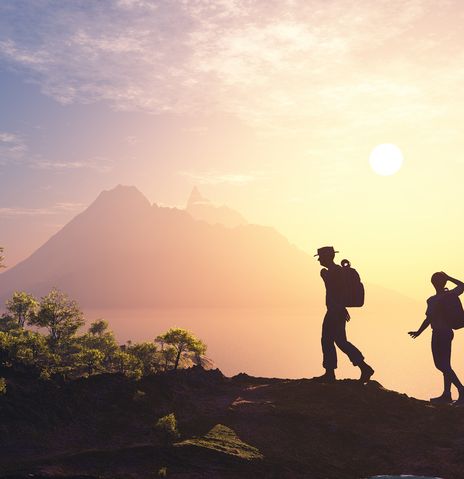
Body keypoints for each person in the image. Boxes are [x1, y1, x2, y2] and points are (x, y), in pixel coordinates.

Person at [313, 246, 374, 383]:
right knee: (339, 341)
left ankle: (332, 373)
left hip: (334, 311)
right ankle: (363, 368)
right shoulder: (335, 272)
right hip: (337, 310)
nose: (319, 261)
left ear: (327, 257)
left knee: (328, 340)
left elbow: (340, 292)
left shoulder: (333, 273)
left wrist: (339, 308)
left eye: (320, 258)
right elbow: (341, 292)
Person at [409, 272, 464, 404]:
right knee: (446, 365)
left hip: (439, 334)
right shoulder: (450, 295)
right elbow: (462, 285)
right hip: (448, 333)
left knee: (440, 364)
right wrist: (449, 277)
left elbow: (429, 319)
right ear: (444, 282)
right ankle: (447, 394)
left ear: (432, 283)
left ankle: (461, 390)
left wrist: (419, 331)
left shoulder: (433, 300)